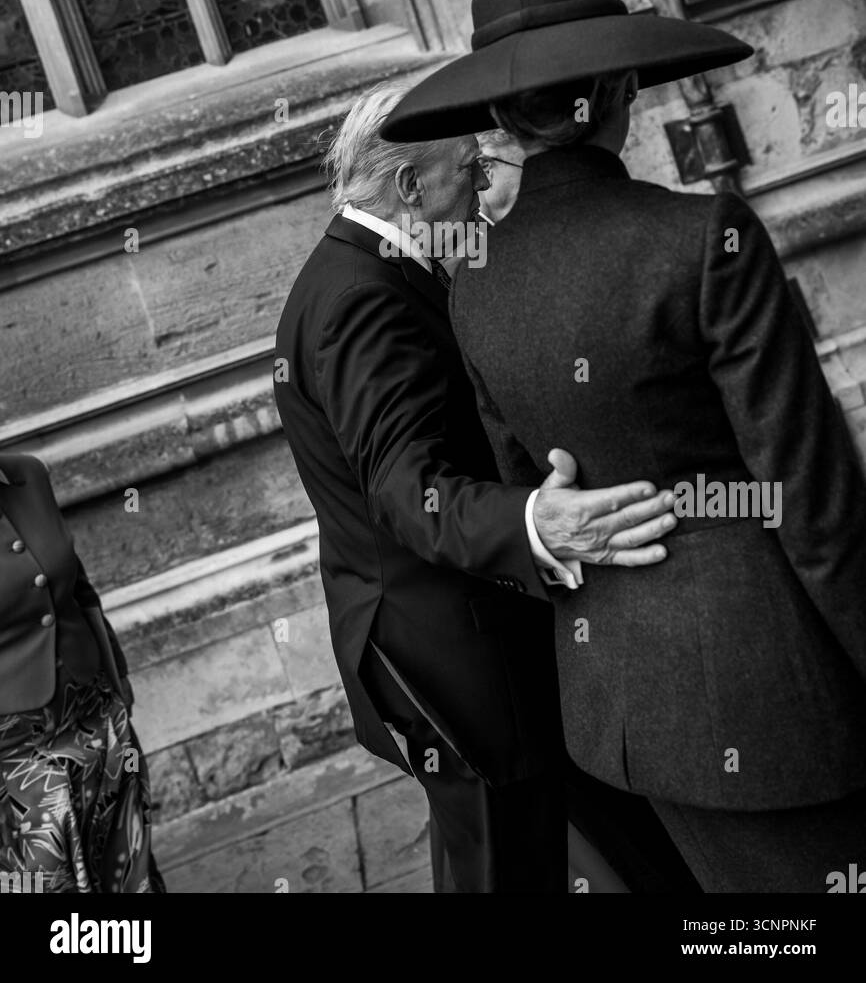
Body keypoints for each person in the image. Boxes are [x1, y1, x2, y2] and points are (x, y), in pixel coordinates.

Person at [382, 0, 866, 893]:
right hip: (779, 683)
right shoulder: (700, 238)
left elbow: (533, 488)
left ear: (503, 121)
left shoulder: (476, 283)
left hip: (627, 704)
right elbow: (810, 494)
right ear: (616, 90)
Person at [273, 80, 699, 895]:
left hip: (461, 628)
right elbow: (406, 490)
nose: (484, 189)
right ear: (408, 187)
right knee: (505, 864)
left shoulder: (367, 272)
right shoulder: (361, 298)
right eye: (467, 171)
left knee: (598, 837)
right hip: (451, 647)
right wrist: (540, 522)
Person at [0, 452, 163, 894]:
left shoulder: (27, 474)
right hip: (14, 765)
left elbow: (78, 589)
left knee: (128, 877)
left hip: (96, 725)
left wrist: (118, 680)